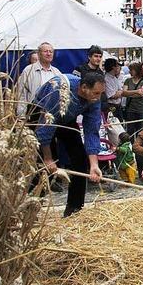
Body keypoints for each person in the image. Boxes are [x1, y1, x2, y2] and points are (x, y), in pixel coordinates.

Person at [33, 72, 105, 217]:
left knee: (80, 159)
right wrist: (48, 158)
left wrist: (94, 165)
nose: (98, 97)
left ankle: (74, 209)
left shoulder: (94, 99)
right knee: (39, 164)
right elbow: (46, 125)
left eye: (101, 93)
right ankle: (31, 210)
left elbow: (92, 129)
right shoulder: (60, 88)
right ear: (83, 87)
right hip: (40, 116)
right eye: (96, 93)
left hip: (66, 119)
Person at [16, 42, 62, 117]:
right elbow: (22, 95)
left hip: (52, 114)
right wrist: (21, 115)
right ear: (39, 54)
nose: (48, 54)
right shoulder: (29, 70)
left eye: (51, 52)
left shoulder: (57, 72)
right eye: (45, 51)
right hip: (34, 113)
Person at [122, 62, 143, 136]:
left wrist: (129, 93)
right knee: (129, 130)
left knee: (140, 130)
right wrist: (136, 91)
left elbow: (142, 93)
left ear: (137, 70)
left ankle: (138, 146)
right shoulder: (127, 80)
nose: (130, 72)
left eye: (131, 70)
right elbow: (124, 93)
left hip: (141, 109)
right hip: (130, 109)